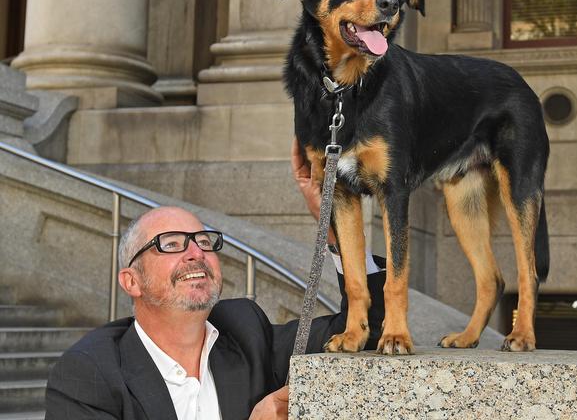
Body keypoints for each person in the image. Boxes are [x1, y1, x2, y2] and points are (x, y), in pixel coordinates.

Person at [45, 139, 386, 420]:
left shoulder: (246, 332)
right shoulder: (87, 374)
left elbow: (366, 329)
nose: (196, 253)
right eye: (172, 244)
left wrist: (332, 222)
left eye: (204, 242)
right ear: (131, 281)